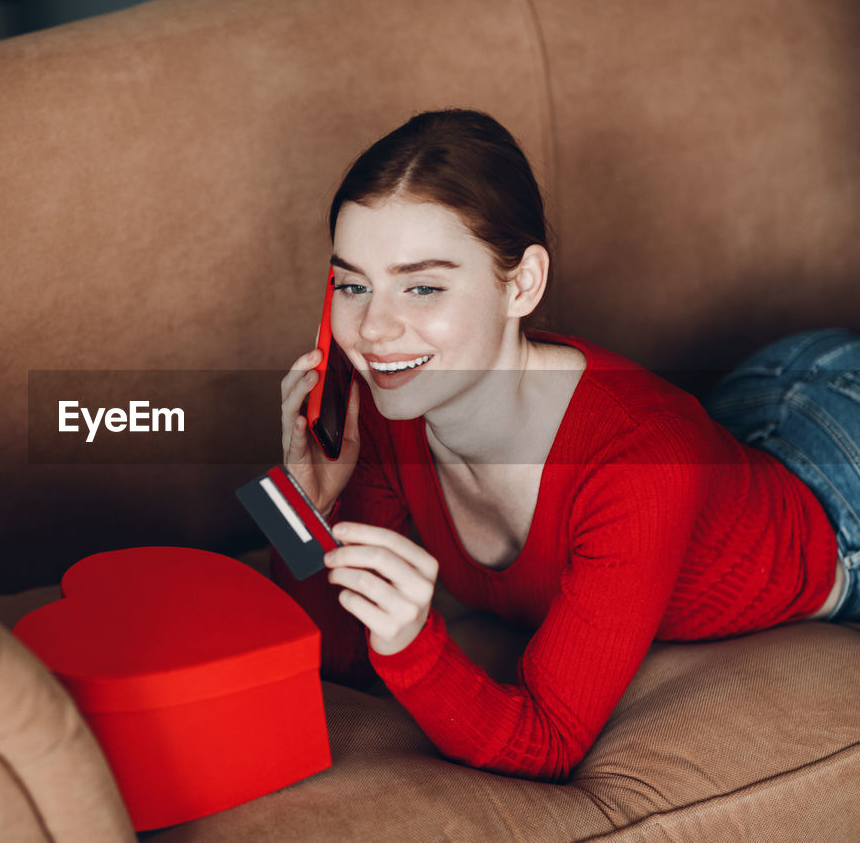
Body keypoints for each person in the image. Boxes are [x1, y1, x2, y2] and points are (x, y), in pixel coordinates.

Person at [275, 108, 859, 782]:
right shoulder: (384, 409)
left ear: (521, 284)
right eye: (353, 284)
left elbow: (547, 739)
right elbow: (332, 658)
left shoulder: (641, 465)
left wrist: (415, 647)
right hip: (755, 399)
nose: (373, 329)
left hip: (840, 487)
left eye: (423, 286)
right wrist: (297, 503)